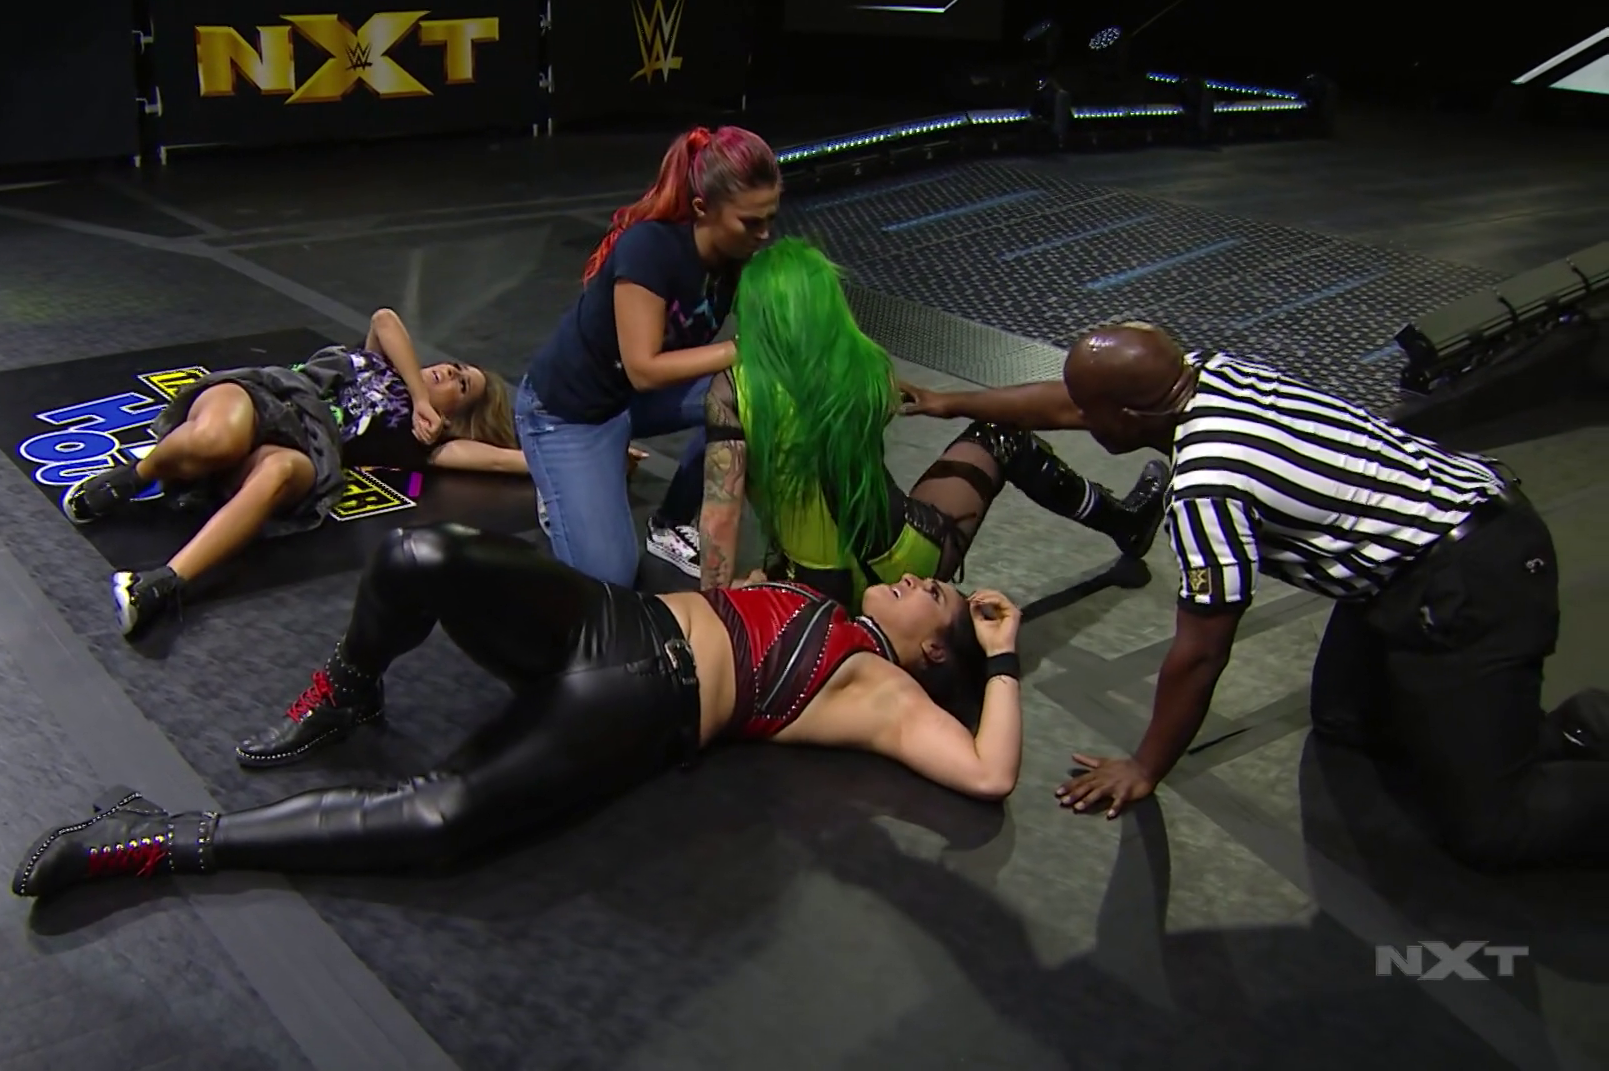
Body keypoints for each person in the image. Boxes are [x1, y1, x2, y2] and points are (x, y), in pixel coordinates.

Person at [904, 322, 1609, 869]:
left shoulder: (1208, 488)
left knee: (1494, 828)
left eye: (1092, 411)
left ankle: (1573, 735)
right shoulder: (1206, 372)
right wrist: (949, 401)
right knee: (1346, 721)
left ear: (1126, 414)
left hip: (1468, 574)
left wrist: (1146, 765)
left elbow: (1202, 653)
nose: (1079, 416)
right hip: (1411, 552)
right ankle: (1525, 734)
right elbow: (1069, 401)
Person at [10, 522, 1027, 898]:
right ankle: (351, 689)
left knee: (440, 819)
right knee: (417, 553)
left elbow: (988, 772)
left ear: (934, 648)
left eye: (931, 592)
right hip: (610, 617)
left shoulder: (884, 685)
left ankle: (157, 838)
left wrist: (1002, 652)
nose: (914, 578)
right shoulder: (826, 600)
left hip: (640, 700)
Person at [695, 237, 1173, 612]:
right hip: (904, 567)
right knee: (1001, 436)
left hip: (811, 596)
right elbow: (880, 400)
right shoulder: (866, 369)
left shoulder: (730, 392)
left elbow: (721, 517)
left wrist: (719, 618)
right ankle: (1122, 520)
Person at [62, 307, 524, 637]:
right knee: (217, 441)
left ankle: (162, 584)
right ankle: (136, 475)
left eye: (462, 385)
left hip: (307, 446)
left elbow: (506, 461)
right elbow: (384, 318)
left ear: (458, 416)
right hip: (266, 399)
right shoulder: (383, 359)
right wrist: (420, 396)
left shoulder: (427, 445)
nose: (449, 373)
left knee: (282, 470)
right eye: (455, 366)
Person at [517, 125, 781, 585]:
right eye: (750, 222)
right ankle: (560, 487)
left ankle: (672, 522)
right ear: (702, 208)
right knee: (611, 577)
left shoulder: (736, 257)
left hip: (632, 400)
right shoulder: (650, 248)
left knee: (758, 391)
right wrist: (741, 350)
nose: (764, 234)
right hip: (571, 413)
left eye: (769, 218)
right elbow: (643, 369)